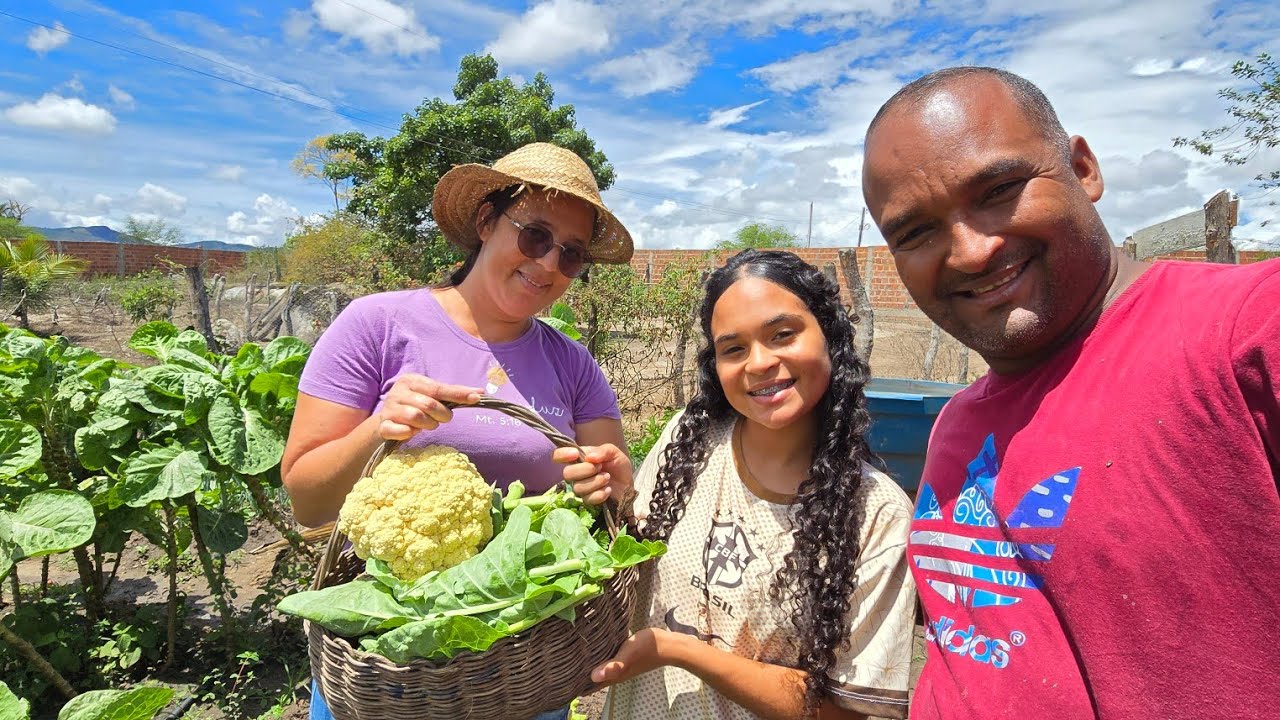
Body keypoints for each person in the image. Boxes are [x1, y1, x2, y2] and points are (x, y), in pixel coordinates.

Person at [861, 66, 1280, 719]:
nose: (970, 251)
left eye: (999, 188)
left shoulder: (1246, 331)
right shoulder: (958, 426)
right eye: (915, 232)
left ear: (1082, 168)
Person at [282, 142, 634, 720]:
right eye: (535, 236)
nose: (548, 264)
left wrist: (614, 482)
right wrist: (378, 430)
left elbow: (616, 494)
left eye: (571, 255)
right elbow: (306, 498)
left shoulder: (572, 363)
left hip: (523, 670)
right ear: (487, 222)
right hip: (391, 669)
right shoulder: (376, 324)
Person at [559, 250, 917, 720]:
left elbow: (842, 712)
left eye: (782, 334)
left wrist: (681, 651)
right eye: (733, 348)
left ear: (830, 335)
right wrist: (620, 500)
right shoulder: (690, 443)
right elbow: (633, 561)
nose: (759, 362)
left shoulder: (876, 515)